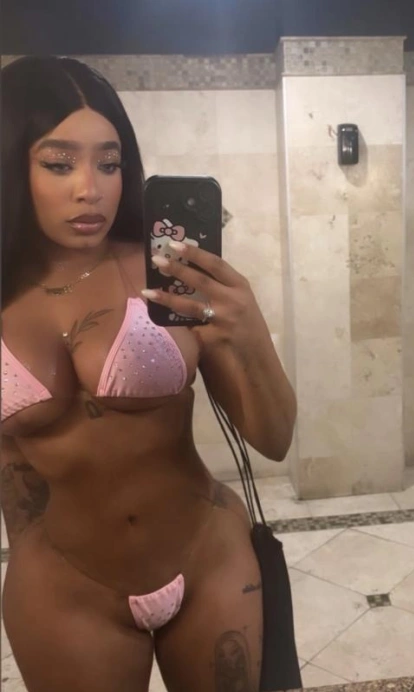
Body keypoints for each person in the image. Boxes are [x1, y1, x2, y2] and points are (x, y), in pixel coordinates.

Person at [1, 56, 297, 692]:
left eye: (109, 164)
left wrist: (249, 330)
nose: (91, 188)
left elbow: (274, 439)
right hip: (66, 588)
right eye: (59, 164)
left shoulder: (169, 272)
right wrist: (28, 550)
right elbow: (11, 464)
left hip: (208, 561)